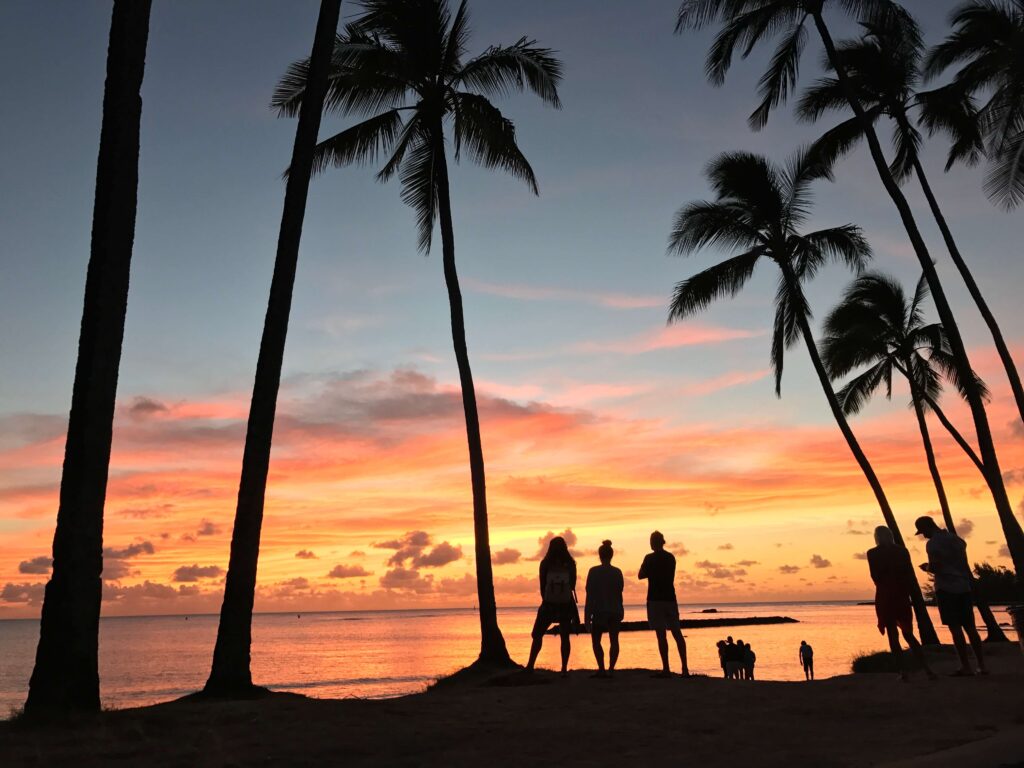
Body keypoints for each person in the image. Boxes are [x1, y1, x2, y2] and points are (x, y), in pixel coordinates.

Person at [915, 516, 988, 676]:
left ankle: (965, 666)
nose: (923, 536)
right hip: (963, 587)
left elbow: (937, 567)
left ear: (928, 527)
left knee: (955, 629)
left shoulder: (933, 544)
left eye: (923, 532)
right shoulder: (957, 540)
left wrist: (926, 567)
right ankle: (981, 665)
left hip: (946, 588)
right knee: (970, 628)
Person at [867, 525, 937, 682]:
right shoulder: (902, 551)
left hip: (886, 595)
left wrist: (887, 582)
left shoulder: (873, 553)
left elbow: (875, 576)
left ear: (876, 537)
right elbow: (908, 574)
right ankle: (927, 670)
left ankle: (903, 671)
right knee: (908, 634)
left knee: (893, 636)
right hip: (901, 595)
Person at [526, 536, 579, 676]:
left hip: (548, 605)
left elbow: (542, 585)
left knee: (537, 634)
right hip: (566, 604)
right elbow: (573, 585)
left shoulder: (545, 563)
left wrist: (547, 598)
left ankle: (530, 665)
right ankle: (564, 669)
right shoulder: (570, 564)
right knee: (565, 637)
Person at [638, 531, 689, 677]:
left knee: (661, 635)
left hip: (655, 599)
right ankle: (685, 668)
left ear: (653, 543)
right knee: (677, 633)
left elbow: (641, 575)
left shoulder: (649, 558)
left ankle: (666, 668)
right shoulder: (670, 558)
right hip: (670, 598)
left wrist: (649, 570)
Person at [585, 539, 624, 678]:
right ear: (611, 555)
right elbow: (620, 592)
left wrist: (587, 616)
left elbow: (590, 596)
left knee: (596, 641)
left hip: (599, 610)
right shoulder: (617, 572)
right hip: (615, 610)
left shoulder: (594, 572)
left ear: (600, 555)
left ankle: (602, 668)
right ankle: (611, 669)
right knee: (614, 640)